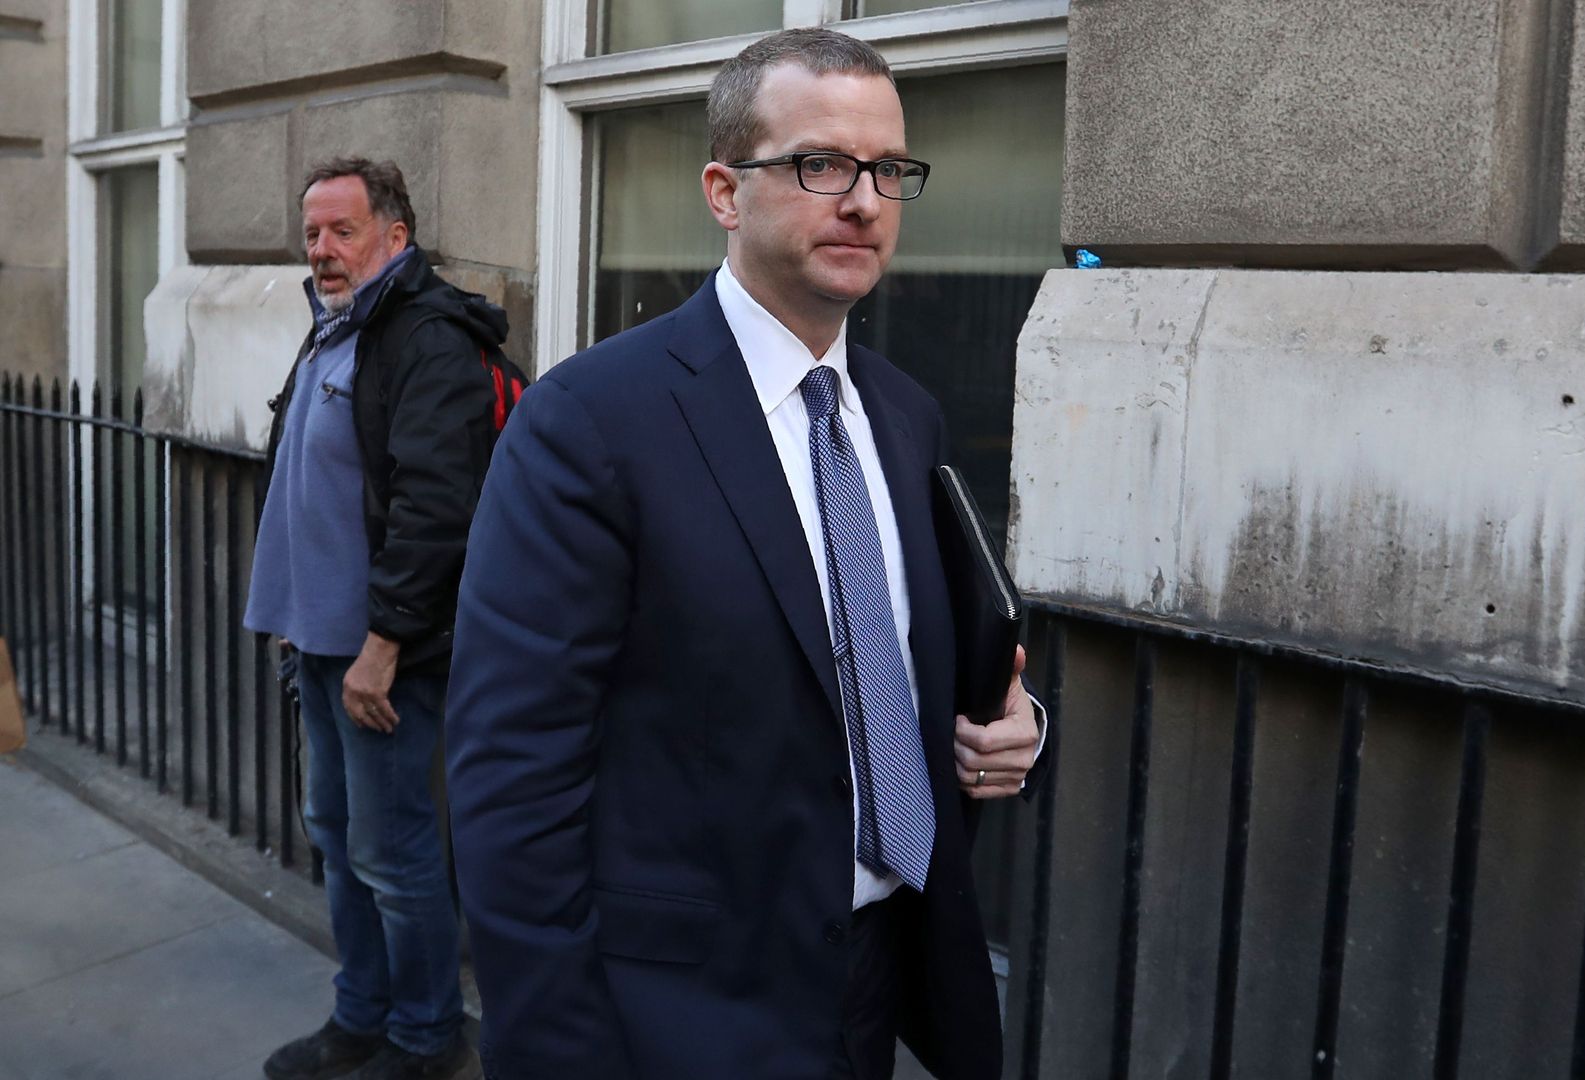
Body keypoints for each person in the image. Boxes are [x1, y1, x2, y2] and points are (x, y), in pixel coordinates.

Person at [444, 27, 1047, 1080]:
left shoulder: (905, 418)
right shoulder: (589, 422)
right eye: (820, 164)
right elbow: (511, 788)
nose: (863, 200)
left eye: (888, 170)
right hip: (682, 1013)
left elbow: (903, 670)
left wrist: (1013, 725)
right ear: (724, 191)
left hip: (878, 981)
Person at [248, 157, 504, 1080]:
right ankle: (360, 1014)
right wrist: (290, 611)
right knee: (337, 838)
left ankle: (427, 1036)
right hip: (317, 639)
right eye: (311, 232)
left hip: (383, 653)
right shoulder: (335, 326)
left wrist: (383, 645)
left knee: (394, 856)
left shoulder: (425, 338)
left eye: (341, 230)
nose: (321, 249)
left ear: (394, 236)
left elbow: (439, 508)